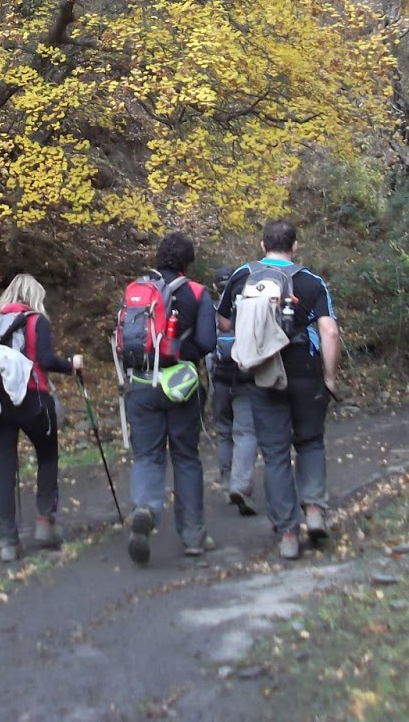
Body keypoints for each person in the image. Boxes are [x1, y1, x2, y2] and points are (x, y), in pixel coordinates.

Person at [216, 222, 340, 560]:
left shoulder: (243, 275)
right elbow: (328, 331)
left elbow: (224, 322)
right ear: (295, 246)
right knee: (310, 441)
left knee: (274, 454)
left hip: (263, 373)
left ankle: (287, 533)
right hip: (304, 372)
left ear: (262, 244)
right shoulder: (312, 281)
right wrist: (329, 377)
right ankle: (314, 510)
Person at [122, 233, 218, 565]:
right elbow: (207, 342)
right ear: (188, 261)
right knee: (186, 458)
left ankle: (146, 507)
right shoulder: (197, 293)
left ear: (159, 256)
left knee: (147, 456)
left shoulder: (139, 291)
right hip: (180, 387)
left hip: (141, 383)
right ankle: (193, 536)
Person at [0, 273, 82, 562]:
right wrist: (71, 365)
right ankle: (44, 521)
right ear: (34, 296)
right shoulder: (37, 321)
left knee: (3, 469)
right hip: (33, 398)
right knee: (47, 456)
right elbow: (47, 360)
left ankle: (8, 540)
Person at [207, 265, 260, 517]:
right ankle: (240, 484)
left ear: (215, 287)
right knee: (245, 432)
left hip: (219, 379)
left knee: (224, 432)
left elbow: (206, 348)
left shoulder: (211, 311)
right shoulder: (247, 307)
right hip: (243, 376)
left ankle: (228, 481)